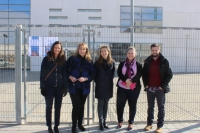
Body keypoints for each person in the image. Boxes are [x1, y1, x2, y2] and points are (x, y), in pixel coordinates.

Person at [142, 43, 173, 133]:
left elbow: (169, 75)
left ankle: (159, 126)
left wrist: (163, 86)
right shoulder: (147, 61)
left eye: (156, 50)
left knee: (161, 108)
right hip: (150, 89)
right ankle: (149, 124)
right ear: (151, 50)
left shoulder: (164, 61)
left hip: (160, 89)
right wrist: (146, 85)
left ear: (159, 50)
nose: (154, 52)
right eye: (153, 50)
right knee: (150, 107)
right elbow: (144, 74)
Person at [66, 43, 95, 133]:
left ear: (86, 50)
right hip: (74, 87)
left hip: (84, 87)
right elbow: (65, 70)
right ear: (78, 50)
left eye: (84, 49)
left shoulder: (89, 61)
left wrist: (85, 78)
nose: (82, 51)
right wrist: (70, 77)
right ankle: (74, 126)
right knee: (76, 105)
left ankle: (80, 124)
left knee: (82, 106)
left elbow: (93, 74)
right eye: (80, 49)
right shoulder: (72, 59)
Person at [40, 41, 68, 133]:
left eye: (59, 48)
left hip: (59, 87)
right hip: (49, 87)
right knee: (49, 107)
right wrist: (42, 86)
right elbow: (42, 74)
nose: (57, 49)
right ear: (53, 48)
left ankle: (56, 126)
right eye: (56, 47)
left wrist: (65, 87)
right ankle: (49, 126)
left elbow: (64, 74)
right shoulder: (46, 59)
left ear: (61, 49)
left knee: (58, 107)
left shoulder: (63, 60)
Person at [116, 46, 142, 131]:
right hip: (122, 87)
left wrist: (131, 81)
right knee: (120, 105)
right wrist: (126, 80)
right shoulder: (121, 64)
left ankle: (130, 123)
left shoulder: (138, 65)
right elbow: (119, 73)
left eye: (132, 53)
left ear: (135, 54)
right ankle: (120, 121)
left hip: (134, 88)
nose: (130, 54)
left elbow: (139, 75)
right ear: (126, 54)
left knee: (132, 105)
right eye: (129, 53)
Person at [93, 45, 115, 131]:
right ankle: (100, 122)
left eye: (105, 51)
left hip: (108, 86)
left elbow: (113, 74)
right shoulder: (97, 63)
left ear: (108, 51)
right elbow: (94, 75)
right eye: (102, 51)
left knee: (106, 104)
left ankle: (105, 121)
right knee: (100, 104)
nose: (103, 52)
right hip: (100, 86)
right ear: (100, 52)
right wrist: (99, 82)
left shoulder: (112, 62)